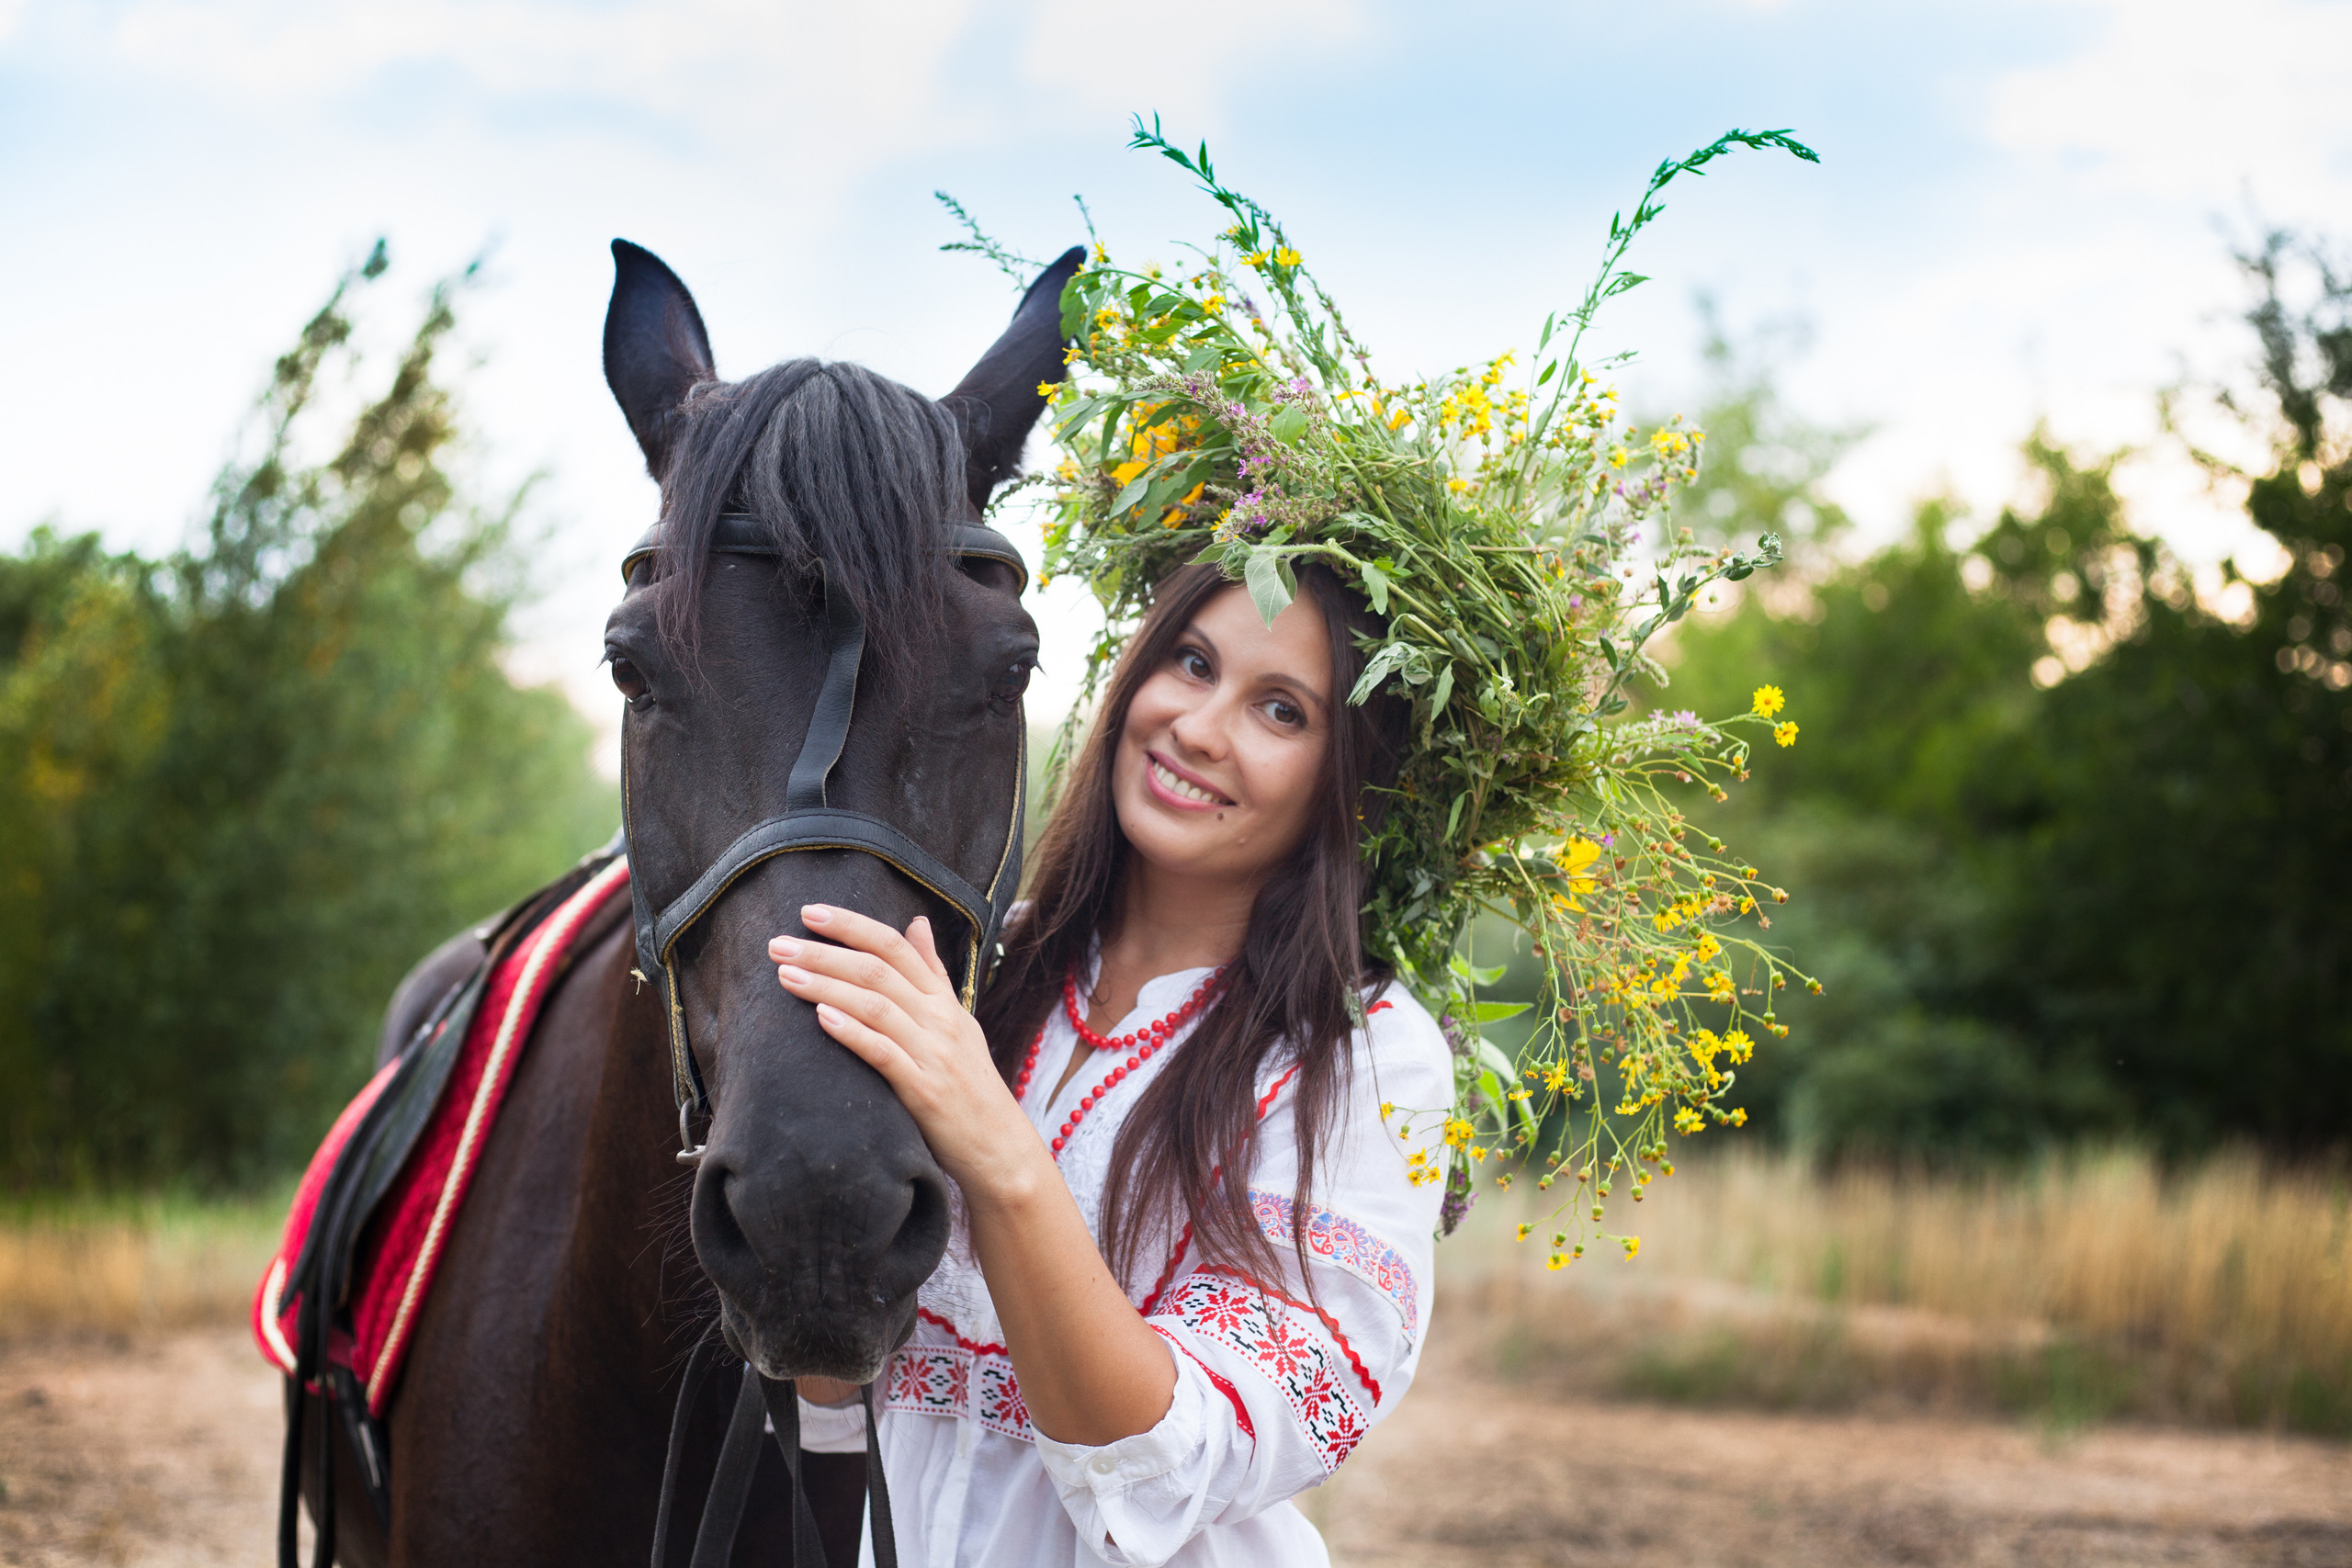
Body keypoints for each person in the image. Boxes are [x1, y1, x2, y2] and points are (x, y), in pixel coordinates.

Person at [768, 559, 1450, 1565]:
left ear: (1349, 780)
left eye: (1280, 711)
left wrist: (998, 1153)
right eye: (1191, 661)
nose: (1200, 728)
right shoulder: (976, 968)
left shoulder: (1364, 1055)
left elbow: (1172, 1462)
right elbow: (838, 1393)